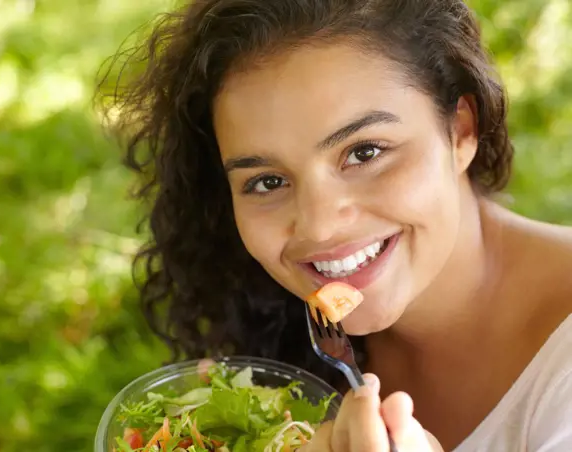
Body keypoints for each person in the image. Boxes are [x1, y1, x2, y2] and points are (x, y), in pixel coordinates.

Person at [98, 0, 572, 450]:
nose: (319, 227)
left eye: (365, 153)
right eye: (267, 181)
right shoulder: (281, 328)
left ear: (461, 130)